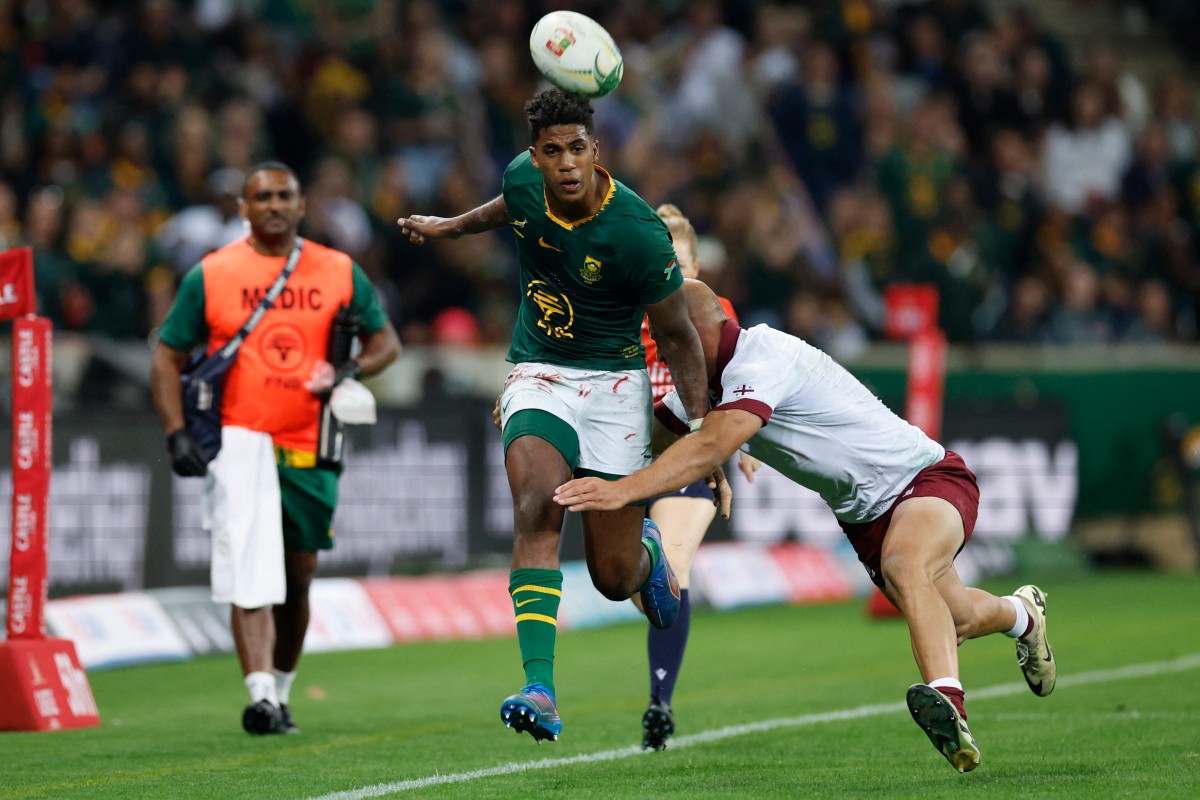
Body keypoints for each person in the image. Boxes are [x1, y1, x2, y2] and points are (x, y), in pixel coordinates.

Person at [553, 279, 1056, 773]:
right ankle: (1023, 616)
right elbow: (639, 439)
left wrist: (622, 491)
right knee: (961, 618)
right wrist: (546, 417)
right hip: (866, 519)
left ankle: (949, 705)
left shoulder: (763, 355)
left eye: (665, 340)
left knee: (906, 565)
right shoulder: (700, 393)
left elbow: (709, 446)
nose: (660, 355)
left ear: (693, 333)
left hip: (923, 478)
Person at [397, 88, 718, 744]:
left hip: (614, 387)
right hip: (538, 372)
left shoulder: (635, 231)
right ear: (534, 157)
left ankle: (647, 559)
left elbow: (681, 338)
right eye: (552, 152)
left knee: (611, 577)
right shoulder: (522, 181)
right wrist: (450, 227)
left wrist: (705, 428)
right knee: (537, 504)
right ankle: (539, 688)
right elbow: (507, 208)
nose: (567, 163)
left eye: (578, 149)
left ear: (595, 151)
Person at [150, 162, 401, 735]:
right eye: (261, 197)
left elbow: (386, 341)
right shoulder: (212, 274)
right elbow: (166, 358)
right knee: (249, 567)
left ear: (302, 204)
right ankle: (260, 693)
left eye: (283, 195)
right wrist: (175, 431)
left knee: (298, 573)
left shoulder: (338, 270)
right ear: (243, 208)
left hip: (310, 444)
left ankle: (282, 690)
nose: (273, 205)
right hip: (239, 439)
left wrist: (347, 369)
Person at [637, 204, 752, 751]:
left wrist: (747, 444)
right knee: (635, 583)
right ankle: (643, 556)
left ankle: (660, 701)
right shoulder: (623, 310)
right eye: (662, 265)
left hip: (689, 460)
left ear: (698, 268)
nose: (672, 279)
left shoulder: (713, 312)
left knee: (672, 572)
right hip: (625, 463)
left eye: (680, 266)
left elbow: (741, 379)